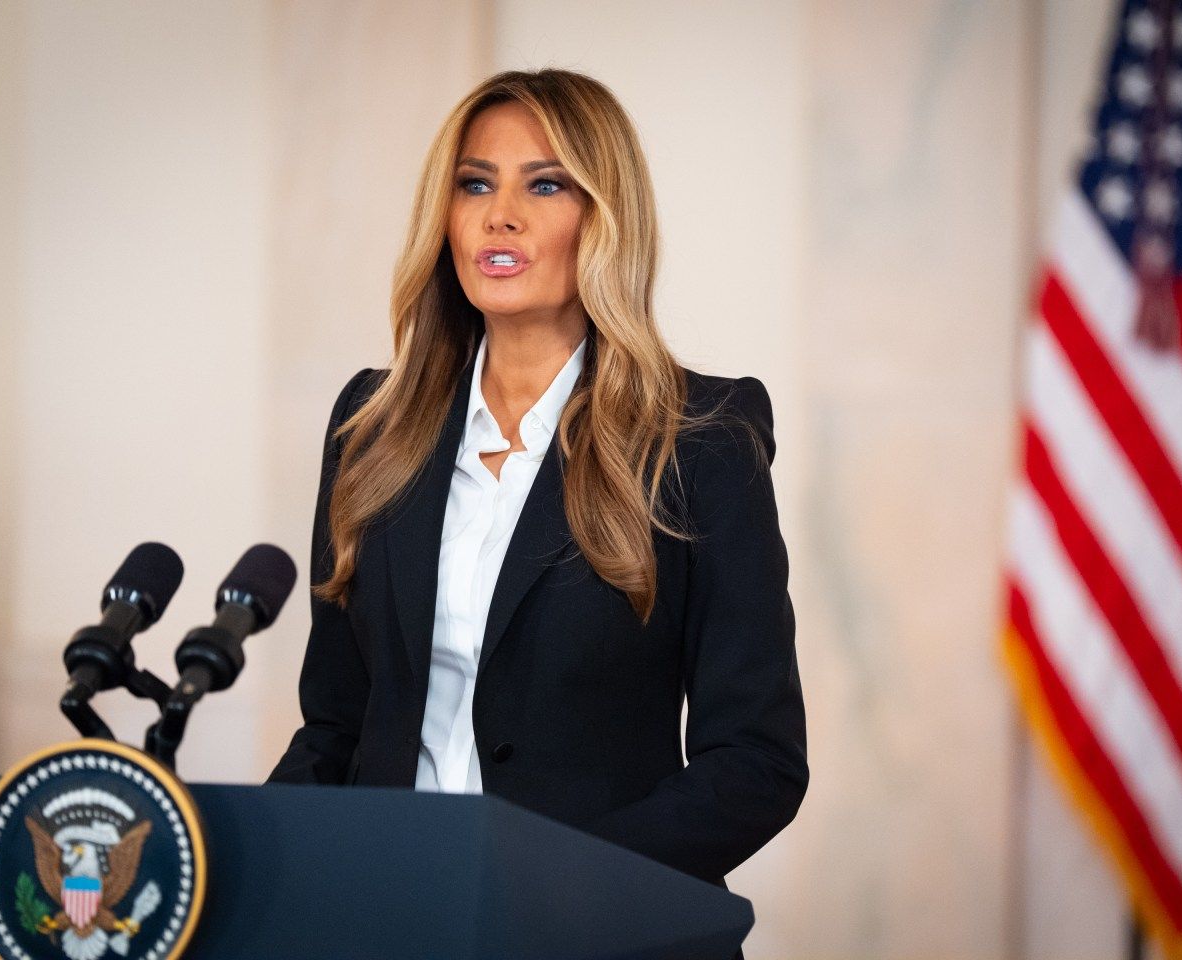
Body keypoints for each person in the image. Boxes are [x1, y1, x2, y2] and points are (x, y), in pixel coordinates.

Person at [266, 68, 807, 951]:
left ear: (604, 216)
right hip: (394, 924)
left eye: (544, 184)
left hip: (598, 929)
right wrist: (252, 863)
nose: (499, 215)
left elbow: (756, 765)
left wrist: (548, 883)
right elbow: (335, 728)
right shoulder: (371, 426)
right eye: (475, 183)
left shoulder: (702, 438)